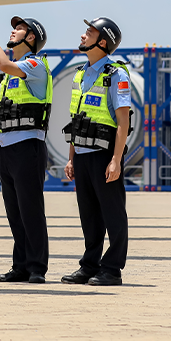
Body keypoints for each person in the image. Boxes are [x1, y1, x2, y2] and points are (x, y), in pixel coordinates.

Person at [0, 13, 51, 284]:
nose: (14, 31)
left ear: (31, 37)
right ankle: (20, 265)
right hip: (8, 147)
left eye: (19, 28)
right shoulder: (14, 74)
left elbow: (3, 63)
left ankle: (37, 267)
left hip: (28, 147)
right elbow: (17, 102)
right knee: (14, 211)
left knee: (31, 209)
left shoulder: (34, 64)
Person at [61, 17, 131, 287]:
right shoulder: (80, 73)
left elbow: (123, 122)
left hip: (104, 155)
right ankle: (89, 265)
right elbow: (76, 119)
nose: (83, 35)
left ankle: (112, 269)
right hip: (82, 154)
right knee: (88, 214)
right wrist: (71, 158)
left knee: (113, 213)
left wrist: (116, 160)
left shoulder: (116, 74)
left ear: (103, 42)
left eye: (89, 32)